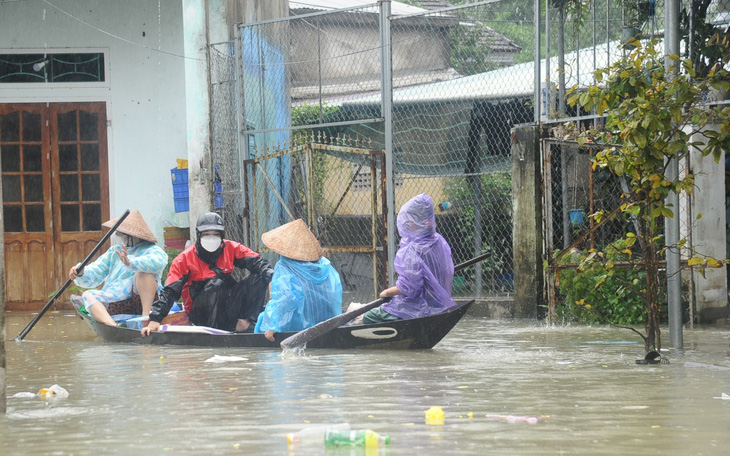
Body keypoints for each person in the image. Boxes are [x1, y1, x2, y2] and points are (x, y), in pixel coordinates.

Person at [141, 212, 274, 335]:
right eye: (206, 235)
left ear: (221, 236)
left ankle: (244, 323)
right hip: (201, 313)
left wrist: (271, 279)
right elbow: (170, 291)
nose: (211, 239)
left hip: (227, 307)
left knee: (260, 276)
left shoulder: (231, 248)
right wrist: (155, 319)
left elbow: (258, 263)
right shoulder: (184, 259)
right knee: (216, 283)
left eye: (215, 235)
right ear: (199, 236)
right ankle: (215, 332)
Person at [362, 193, 456, 324]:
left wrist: (388, 292)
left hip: (416, 309)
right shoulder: (439, 241)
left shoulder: (412, 249)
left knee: (368, 316)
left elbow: (410, 288)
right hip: (439, 305)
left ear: (416, 222)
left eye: (410, 220)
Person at [69, 210, 168, 326]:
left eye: (120, 233)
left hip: (142, 302)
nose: (117, 235)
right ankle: (112, 326)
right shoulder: (114, 252)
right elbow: (96, 271)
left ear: (131, 235)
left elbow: (158, 262)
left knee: (144, 274)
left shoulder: (151, 250)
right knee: (87, 295)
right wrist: (81, 272)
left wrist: (130, 262)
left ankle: (145, 318)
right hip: (116, 302)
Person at [254, 219, 343, 341]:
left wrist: (275, 326)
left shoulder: (284, 266)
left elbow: (286, 298)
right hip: (326, 322)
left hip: (296, 325)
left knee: (262, 320)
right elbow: (334, 297)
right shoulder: (326, 266)